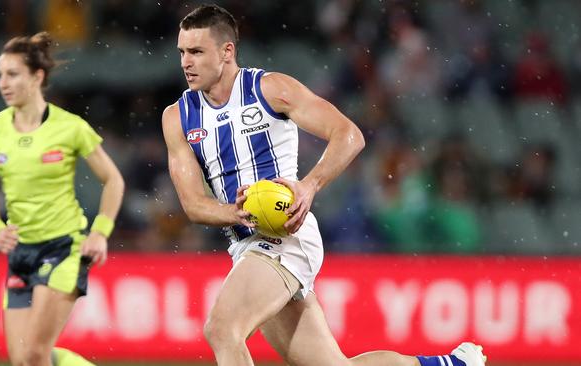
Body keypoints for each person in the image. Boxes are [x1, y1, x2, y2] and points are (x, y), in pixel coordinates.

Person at [162, 5, 487, 366]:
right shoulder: (177, 117)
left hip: (287, 236)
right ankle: (450, 364)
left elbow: (348, 134)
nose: (185, 62)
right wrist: (235, 211)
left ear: (227, 52)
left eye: (196, 52)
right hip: (247, 247)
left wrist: (309, 185)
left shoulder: (269, 89)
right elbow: (193, 204)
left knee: (222, 329)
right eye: (182, 52)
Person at [0, 32, 125, 366]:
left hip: (63, 248)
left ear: (37, 76)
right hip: (20, 254)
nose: (3, 82)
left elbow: (113, 180)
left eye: (12, 74)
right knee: (23, 361)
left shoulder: (70, 127)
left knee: (34, 354)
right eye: (0, 74)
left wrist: (100, 232)